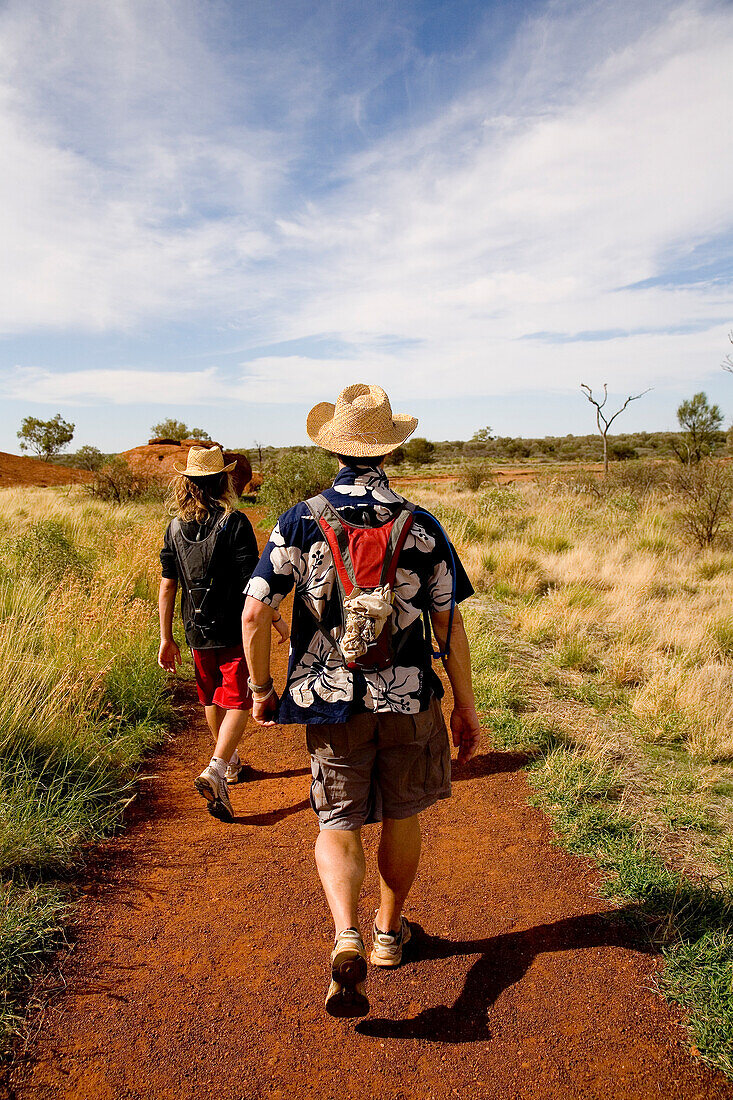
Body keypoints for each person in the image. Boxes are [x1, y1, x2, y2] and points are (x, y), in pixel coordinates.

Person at [241, 383, 481, 1018]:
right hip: (408, 700)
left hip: (329, 697)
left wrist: (262, 689)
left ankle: (344, 932)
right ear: (388, 450)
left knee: (337, 819)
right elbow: (447, 625)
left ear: (336, 450)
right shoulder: (422, 524)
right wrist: (464, 704)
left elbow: (253, 611)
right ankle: (386, 934)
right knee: (404, 812)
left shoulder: (298, 519)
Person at [157, 445, 288, 822]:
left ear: (187, 483)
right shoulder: (235, 522)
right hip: (232, 629)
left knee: (212, 695)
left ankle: (229, 762)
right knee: (240, 700)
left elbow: (168, 586)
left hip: (195, 630)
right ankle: (216, 768)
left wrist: (167, 638)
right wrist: (276, 619)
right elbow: (253, 582)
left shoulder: (174, 526)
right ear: (223, 480)